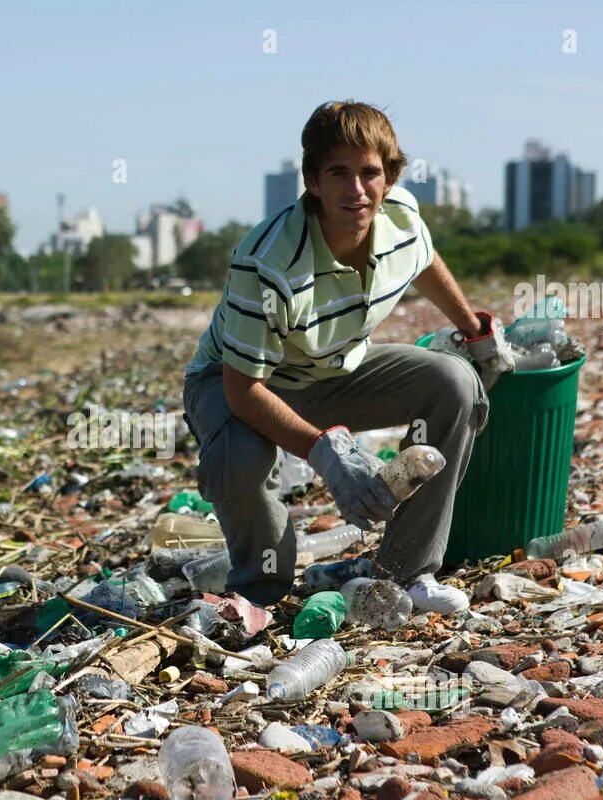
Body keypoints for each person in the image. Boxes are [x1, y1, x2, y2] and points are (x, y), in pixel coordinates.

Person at [181, 100, 514, 613]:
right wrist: (328, 455)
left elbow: (423, 260)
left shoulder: (401, 219)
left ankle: (405, 574)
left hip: (334, 371)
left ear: (390, 178)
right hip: (239, 384)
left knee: (454, 382)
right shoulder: (268, 262)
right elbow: (243, 390)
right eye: (339, 173)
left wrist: (475, 331)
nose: (356, 190)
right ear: (313, 181)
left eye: (369, 173)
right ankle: (258, 595)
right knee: (241, 459)